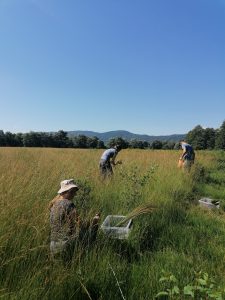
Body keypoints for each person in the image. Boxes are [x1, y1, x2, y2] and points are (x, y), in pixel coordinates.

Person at [49, 179, 100, 261]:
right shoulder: (69, 204)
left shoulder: (54, 204)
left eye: (75, 191)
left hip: (53, 244)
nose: (75, 194)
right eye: (72, 191)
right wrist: (94, 221)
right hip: (66, 244)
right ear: (66, 192)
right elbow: (80, 224)